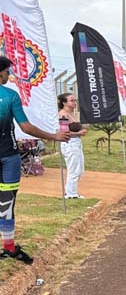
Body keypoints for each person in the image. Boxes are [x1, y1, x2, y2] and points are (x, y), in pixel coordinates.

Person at [0, 55, 73, 264]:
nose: (9, 75)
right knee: (6, 202)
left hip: (8, 157)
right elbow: (26, 127)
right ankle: (9, 247)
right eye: (7, 72)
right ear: (0, 73)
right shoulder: (10, 96)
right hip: (9, 158)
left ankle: (9, 247)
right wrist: (54, 136)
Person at [57, 93, 87, 199]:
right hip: (69, 143)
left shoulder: (71, 114)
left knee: (79, 169)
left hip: (76, 143)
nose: (74, 102)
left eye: (75, 100)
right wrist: (79, 133)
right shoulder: (63, 115)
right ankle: (71, 193)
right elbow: (64, 131)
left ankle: (71, 191)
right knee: (74, 169)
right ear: (64, 102)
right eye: (71, 100)